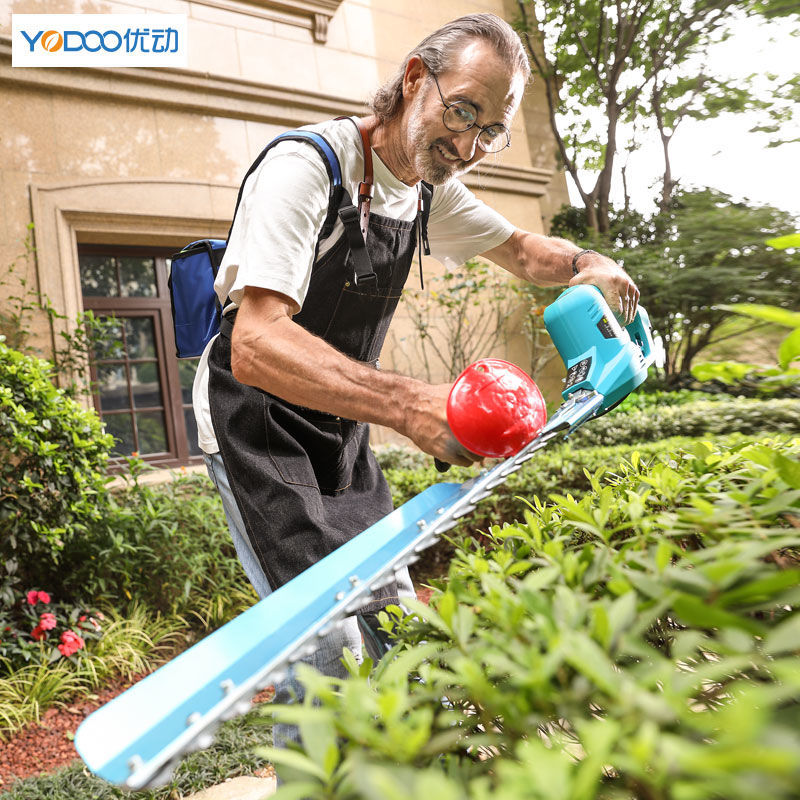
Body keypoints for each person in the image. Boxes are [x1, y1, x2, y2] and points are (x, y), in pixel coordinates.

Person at [192, 12, 638, 744]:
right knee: (325, 646)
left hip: (340, 421)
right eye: (461, 110)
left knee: (390, 610)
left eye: (490, 131)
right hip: (254, 421)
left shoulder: (431, 189)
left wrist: (587, 265)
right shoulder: (308, 168)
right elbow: (257, 342)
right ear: (412, 80)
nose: (467, 146)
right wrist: (409, 404)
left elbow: (526, 252)